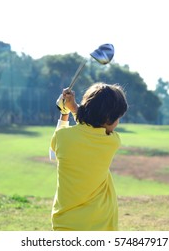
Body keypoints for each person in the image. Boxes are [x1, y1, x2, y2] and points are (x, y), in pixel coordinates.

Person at [49, 82, 128, 231]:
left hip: (65, 224)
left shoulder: (62, 136)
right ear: (108, 119)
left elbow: (53, 155)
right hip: (102, 224)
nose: (117, 123)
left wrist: (65, 111)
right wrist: (74, 108)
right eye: (117, 118)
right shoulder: (112, 141)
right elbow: (92, 125)